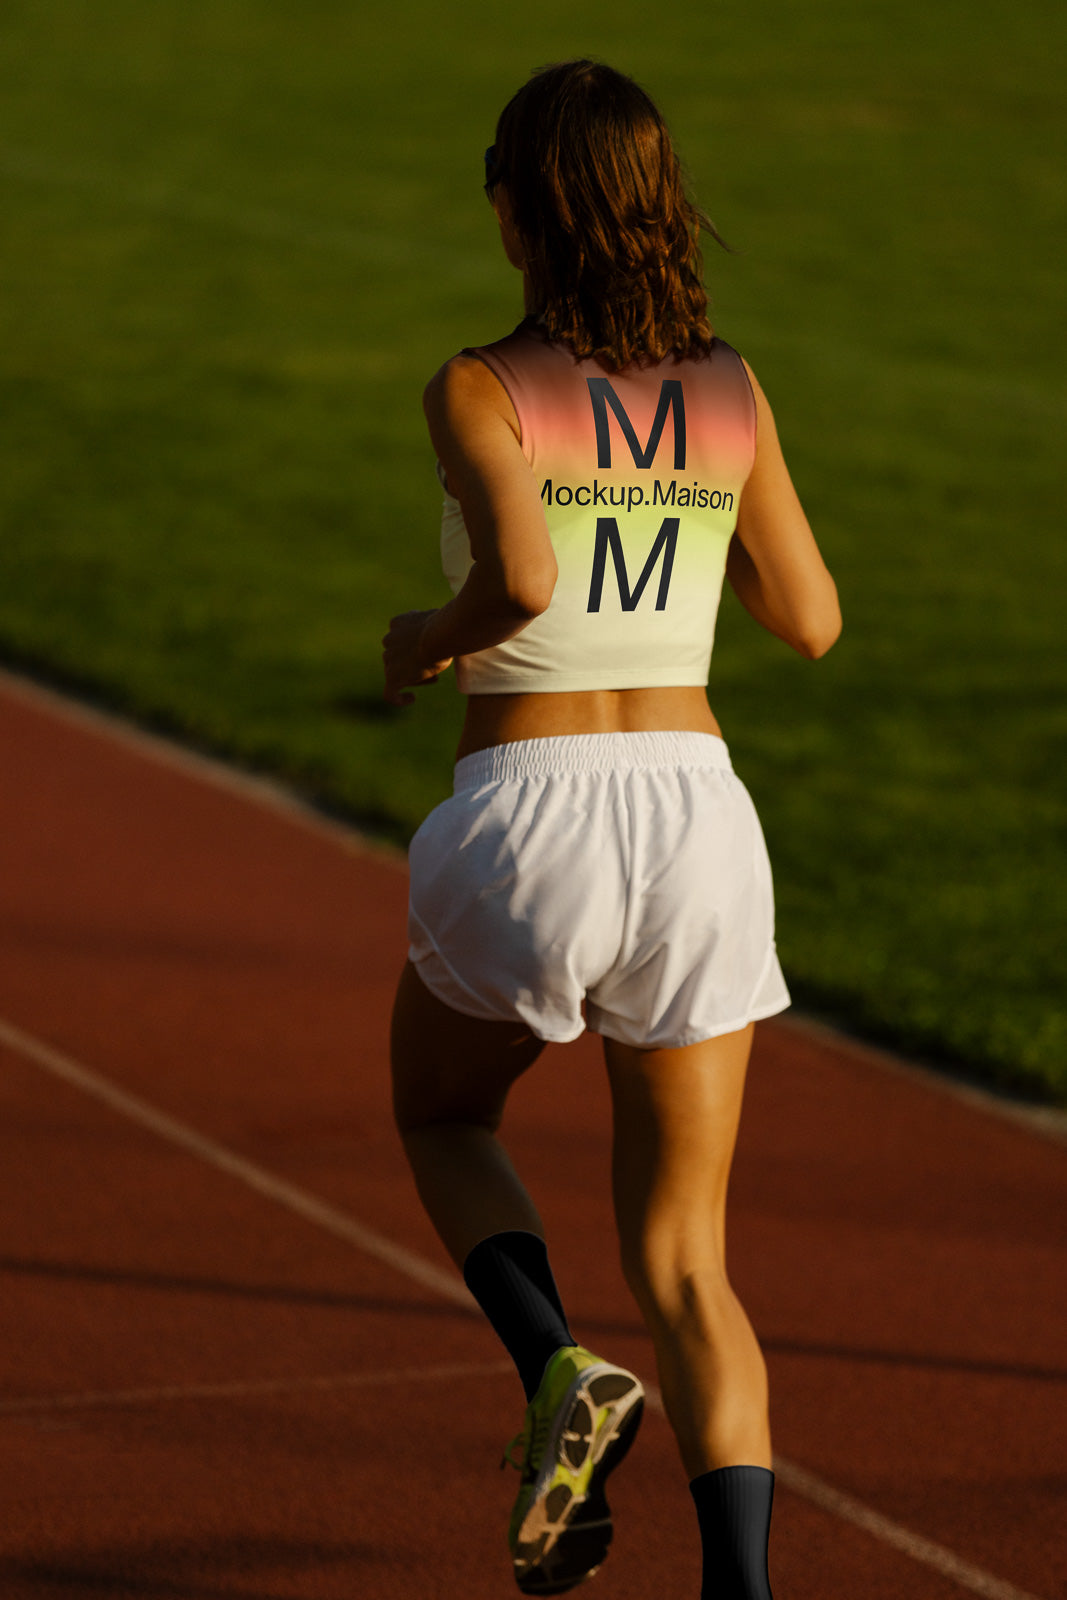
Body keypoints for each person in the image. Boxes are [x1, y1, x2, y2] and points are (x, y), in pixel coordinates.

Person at [382, 59, 840, 1599]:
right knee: (693, 1259)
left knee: (446, 1117)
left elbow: (515, 579)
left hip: (533, 811)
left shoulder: (477, 384)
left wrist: (421, 640)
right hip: (704, 822)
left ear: (516, 219)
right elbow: (814, 620)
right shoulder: (730, 387)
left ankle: (556, 1366)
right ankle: (743, 1587)